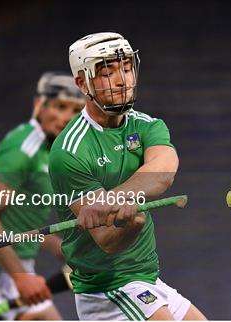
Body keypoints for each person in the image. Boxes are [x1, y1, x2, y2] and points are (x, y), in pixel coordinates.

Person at [49, 32, 207, 320]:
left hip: (146, 279)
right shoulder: (69, 151)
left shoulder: (147, 126)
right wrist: (131, 221)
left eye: (126, 67)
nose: (122, 80)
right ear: (82, 83)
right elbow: (109, 242)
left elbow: (163, 172)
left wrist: (114, 199)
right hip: (107, 290)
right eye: (107, 72)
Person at [0, 72, 85, 320]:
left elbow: (18, 217)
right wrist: (22, 278)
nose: (66, 117)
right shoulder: (24, 147)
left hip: (18, 265)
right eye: (59, 107)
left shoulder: (50, 151)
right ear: (39, 105)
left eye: (75, 111)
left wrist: (56, 245)